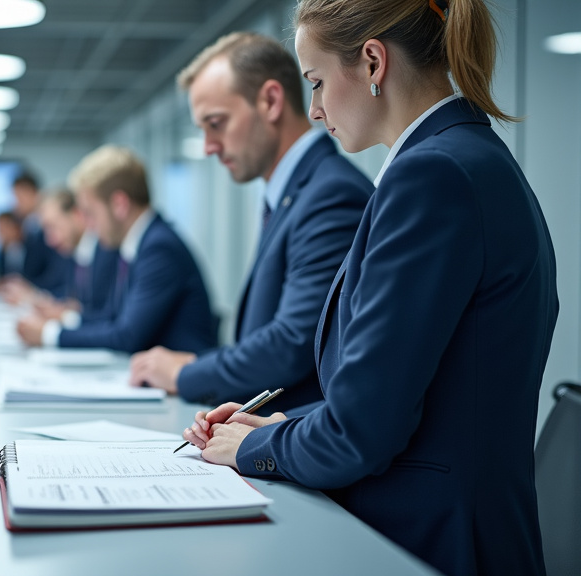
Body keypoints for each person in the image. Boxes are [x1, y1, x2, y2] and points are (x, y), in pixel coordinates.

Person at [185, 2, 557, 575]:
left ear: (373, 62)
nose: (313, 110)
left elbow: (361, 433)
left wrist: (251, 449)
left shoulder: (431, 176)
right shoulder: (465, 158)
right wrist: (281, 425)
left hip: (435, 543)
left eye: (316, 83)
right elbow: (413, 393)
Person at [129, 32, 371, 413]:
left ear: (271, 101)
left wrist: (186, 372)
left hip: (294, 441)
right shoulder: (293, 192)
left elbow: (292, 343)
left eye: (216, 123)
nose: (208, 146)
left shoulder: (331, 194)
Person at [17, 145, 217, 354]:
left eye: (91, 213)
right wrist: (65, 319)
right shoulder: (140, 243)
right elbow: (113, 317)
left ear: (119, 205)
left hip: (182, 383)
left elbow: (127, 336)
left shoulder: (158, 247)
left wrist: (49, 334)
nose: (90, 226)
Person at [31, 188, 119, 326]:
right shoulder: (74, 252)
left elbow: (110, 317)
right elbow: (74, 301)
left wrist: (66, 316)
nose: (49, 240)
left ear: (77, 215)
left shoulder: (108, 250)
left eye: (53, 227)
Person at [3, 170, 65, 294]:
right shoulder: (28, 228)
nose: (16, 203)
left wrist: (32, 290)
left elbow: (55, 271)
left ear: (33, 194)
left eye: (19, 197)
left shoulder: (46, 228)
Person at [0, 210, 26, 280]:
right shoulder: (2, 253)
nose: (0, 233)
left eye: (3, 228)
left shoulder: (32, 249)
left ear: (15, 228)